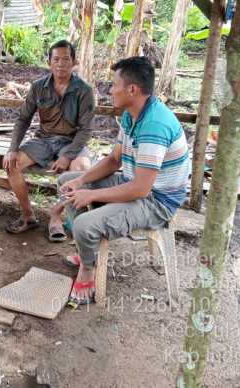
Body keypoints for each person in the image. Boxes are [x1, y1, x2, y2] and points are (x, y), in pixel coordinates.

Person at [56, 56, 189, 305]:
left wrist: (92, 194)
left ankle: (88, 268)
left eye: (114, 84)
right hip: (134, 183)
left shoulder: (154, 125)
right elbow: (114, 160)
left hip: (156, 201)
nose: (110, 90)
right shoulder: (131, 114)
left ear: (132, 89)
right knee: (67, 182)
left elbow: (140, 189)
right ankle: (88, 254)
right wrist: (82, 181)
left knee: (85, 224)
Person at [3, 40, 94, 237]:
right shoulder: (38, 87)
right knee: (11, 163)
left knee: (81, 170)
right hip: (44, 140)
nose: (61, 64)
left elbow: (86, 130)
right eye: (56, 59)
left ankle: (59, 216)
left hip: (72, 141)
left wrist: (68, 155)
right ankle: (28, 216)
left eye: (66, 59)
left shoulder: (84, 90)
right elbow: (23, 119)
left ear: (74, 62)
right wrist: (12, 148)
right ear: (49, 62)